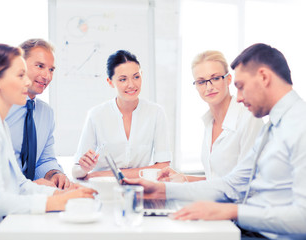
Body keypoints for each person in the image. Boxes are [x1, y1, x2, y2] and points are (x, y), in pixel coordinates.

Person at [125, 43, 306, 239]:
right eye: (201, 81)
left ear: (264, 77)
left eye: (241, 86)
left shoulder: (299, 125)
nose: (239, 98)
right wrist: (162, 190)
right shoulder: (272, 128)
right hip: (251, 231)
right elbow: (232, 185)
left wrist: (231, 212)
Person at [0, 44, 96, 234]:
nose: (27, 83)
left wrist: (63, 193)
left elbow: (20, 184)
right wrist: (54, 201)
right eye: (20, 75)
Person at [159, 51, 263, 182]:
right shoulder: (210, 122)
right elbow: (216, 179)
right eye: (201, 82)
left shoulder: (249, 119)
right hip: (218, 199)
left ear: (228, 79)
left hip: (240, 202)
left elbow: (246, 183)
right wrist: (184, 178)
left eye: (215, 78)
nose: (209, 87)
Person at [72, 50, 172, 179]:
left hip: (140, 188)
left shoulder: (156, 113)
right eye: (123, 79)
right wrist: (84, 168)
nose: (131, 85)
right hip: (102, 188)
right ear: (110, 82)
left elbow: (163, 167)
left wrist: (103, 174)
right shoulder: (96, 115)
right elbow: (76, 171)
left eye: (136, 77)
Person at [6, 39, 69, 189]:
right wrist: (29, 188)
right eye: (40, 66)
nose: (47, 76)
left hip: (25, 200)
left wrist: (54, 174)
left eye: (51, 70)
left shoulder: (46, 113)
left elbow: (44, 160)